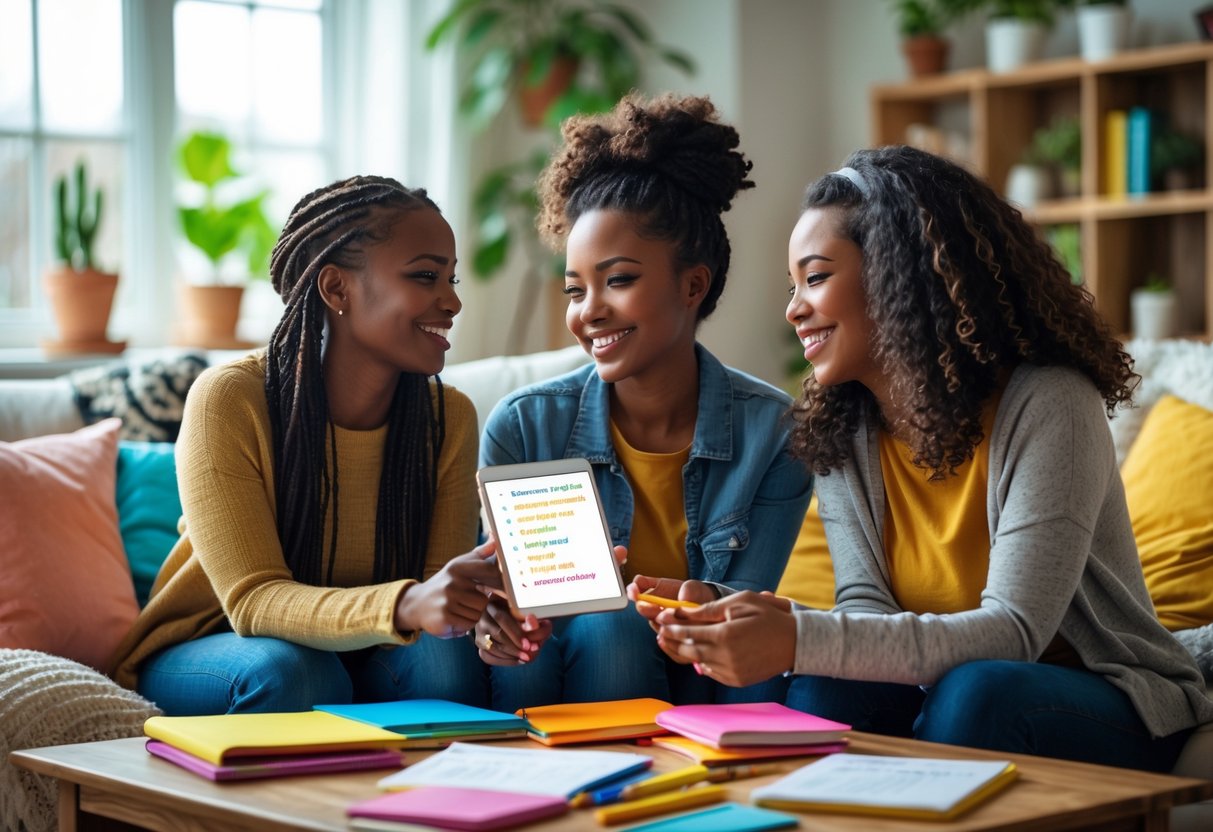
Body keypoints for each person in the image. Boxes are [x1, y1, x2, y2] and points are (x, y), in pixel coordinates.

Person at [637, 145, 1213, 771]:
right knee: (828, 683)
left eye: (817, 276)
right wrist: (732, 605)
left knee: (978, 690)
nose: (793, 309)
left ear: (898, 274)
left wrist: (797, 636)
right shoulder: (842, 430)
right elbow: (866, 619)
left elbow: (1015, 633)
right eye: (792, 285)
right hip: (948, 690)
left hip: (1102, 697)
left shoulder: (1050, 405)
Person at [109, 176, 500, 715]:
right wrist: (408, 603)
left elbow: (438, 605)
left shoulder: (447, 416)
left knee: (447, 661)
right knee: (297, 673)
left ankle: (424, 799)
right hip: (213, 649)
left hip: (363, 649)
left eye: (452, 278)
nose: (452, 301)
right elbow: (252, 602)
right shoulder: (231, 399)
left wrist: (479, 606)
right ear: (337, 289)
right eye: (426, 276)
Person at [473, 93, 813, 710]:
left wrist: (700, 601)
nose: (589, 311)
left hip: (704, 677)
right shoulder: (523, 428)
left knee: (633, 628)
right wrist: (493, 624)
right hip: (556, 677)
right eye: (576, 289)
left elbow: (743, 619)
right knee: (607, 629)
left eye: (619, 280)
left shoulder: (775, 433)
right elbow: (507, 610)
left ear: (693, 283)